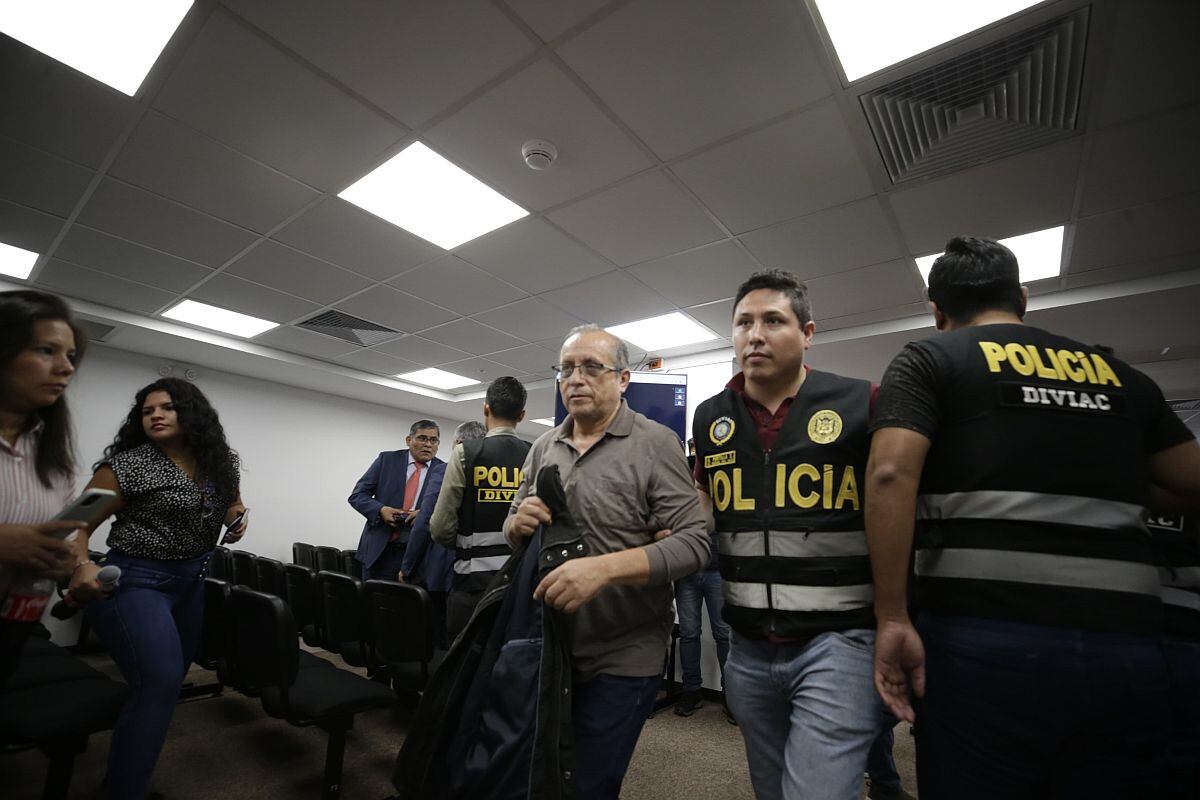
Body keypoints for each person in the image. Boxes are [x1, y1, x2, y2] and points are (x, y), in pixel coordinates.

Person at [866, 235, 1200, 798]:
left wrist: (892, 616)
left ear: (937, 311)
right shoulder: (1119, 375)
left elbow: (889, 475)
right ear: (1021, 297)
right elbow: (1191, 484)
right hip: (1124, 644)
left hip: (984, 636)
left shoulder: (932, 359)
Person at [691, 270, 885, 800]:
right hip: (748, 646)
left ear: (807, 333)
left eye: (773, 321)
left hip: (838, 640)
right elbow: (705, 504)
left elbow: (894, 508)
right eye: (743, 323)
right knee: (770, 787)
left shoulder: (861, 402)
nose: (754, 335)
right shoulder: (711, 417)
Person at [505, 324, 710, 800]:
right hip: (549, 647)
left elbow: (695, 543)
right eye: (566, 369)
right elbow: (512, 523)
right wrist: (518, 524)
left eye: (591, 367)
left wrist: (604, 569)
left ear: (622, 379)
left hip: (624, 652)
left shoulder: (655, 442)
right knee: (543, 775)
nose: (575, 379)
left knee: (589, 785)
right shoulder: (543, 447)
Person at [71, 377, 247, 799]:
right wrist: (80, 565)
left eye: (167, 407)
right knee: (159, 682)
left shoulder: (219, 462)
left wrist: (237, 518)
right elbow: (75, 523)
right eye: (148, 411)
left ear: (192, 414)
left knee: (163, 685)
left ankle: (124, 776)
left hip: (191, 583)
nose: (155, 416)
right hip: (137, 582)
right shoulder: (125, 467)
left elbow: (232, 502)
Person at [0, 290, 90, 687]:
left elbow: (65, 534)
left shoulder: (52, 456)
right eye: (46, 351)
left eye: (70, 356)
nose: (66, 367)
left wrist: (67, 562)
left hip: (14, 622)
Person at [430, 377, 530, 641]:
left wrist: (462, 542)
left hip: (471, 585)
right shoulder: (535, 454)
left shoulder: (465, 453)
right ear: (521, 415)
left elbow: (440, 528)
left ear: (486, 408)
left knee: (465, 660)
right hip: (516, 583)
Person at [350, 420, 444, 581]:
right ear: (409, 440)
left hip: (418, 556)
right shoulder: (387, 460)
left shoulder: (444, 470)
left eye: (433, 440)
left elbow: (449, 508)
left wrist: (425, 514)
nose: (428, 444)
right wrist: (380, 510)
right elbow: (358, 495)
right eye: (422, 438)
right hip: (380, 551)